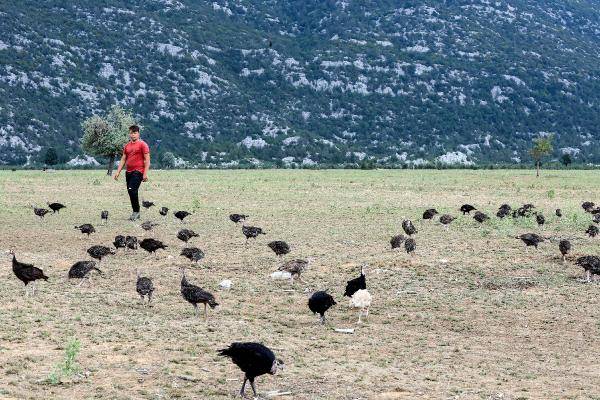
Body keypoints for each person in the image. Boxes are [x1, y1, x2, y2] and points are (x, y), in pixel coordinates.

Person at [114, 125, 150, 220]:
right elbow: (123, 159)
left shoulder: (143, 145)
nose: (133, 135)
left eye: (135, 133)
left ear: (138, 133)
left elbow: (147, 160)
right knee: (131, 192)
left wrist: (145, 174)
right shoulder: (127, 146)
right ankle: (136, 211)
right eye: (131, 133)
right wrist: (118, 172)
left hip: (138, 171)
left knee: (131, 190)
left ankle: (136, 212)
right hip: (128, 172)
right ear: (129, 134)